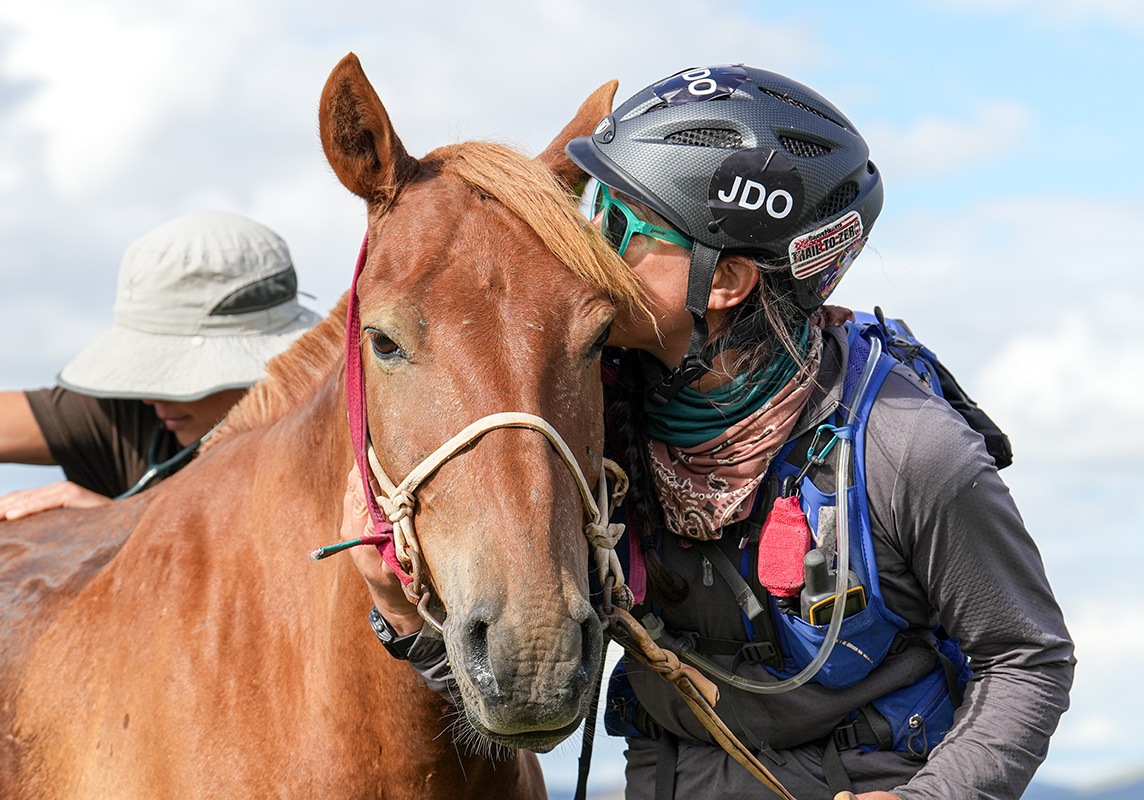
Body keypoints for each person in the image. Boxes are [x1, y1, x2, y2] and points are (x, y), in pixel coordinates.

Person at [349, 64, 1074, 800]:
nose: (585, 241)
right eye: (592, 211)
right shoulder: (593, 419)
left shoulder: (908, 447)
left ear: (724, 281)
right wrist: (405, 617)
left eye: (622, 226)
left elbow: (1029, 659)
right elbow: (531, 683)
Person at [0, 210, 321, 524]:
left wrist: (122, 525)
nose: (149, 396)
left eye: (175, 372)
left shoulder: (332, 451)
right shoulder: (123, 416)